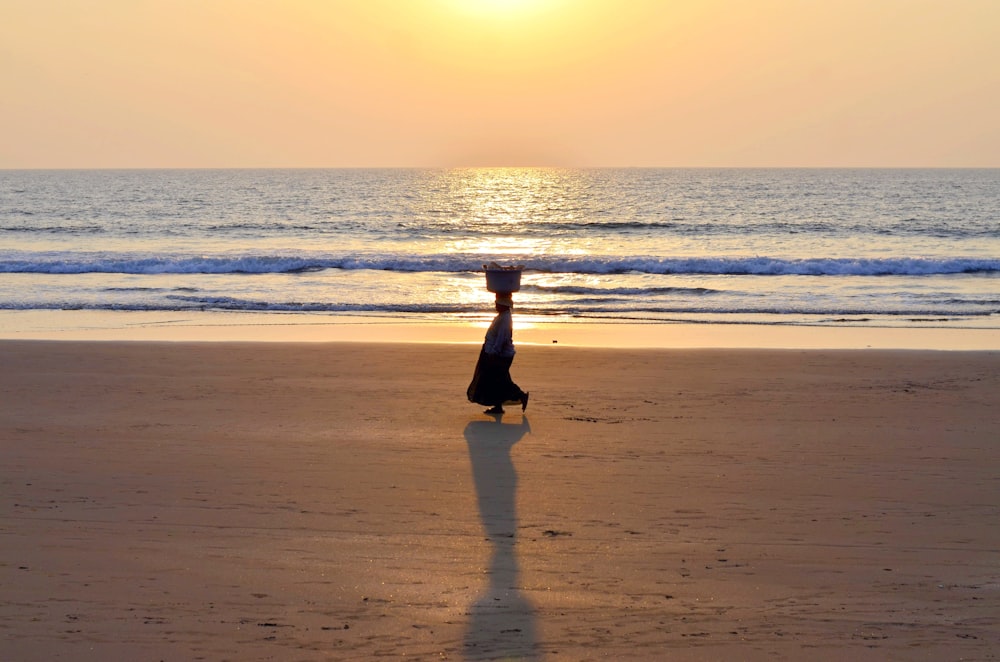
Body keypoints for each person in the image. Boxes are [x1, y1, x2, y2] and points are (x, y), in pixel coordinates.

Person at [467, 294, 529, 415]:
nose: (495, 305)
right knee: (495, 380)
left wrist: (494, 353)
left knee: (500, 380)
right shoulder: (502, 316)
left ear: (503, 304)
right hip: (495, 353)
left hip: (499, 355)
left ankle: (521, 396)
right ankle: (498, 406)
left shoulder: (505, 319)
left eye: (497, 303)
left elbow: (502, 338)